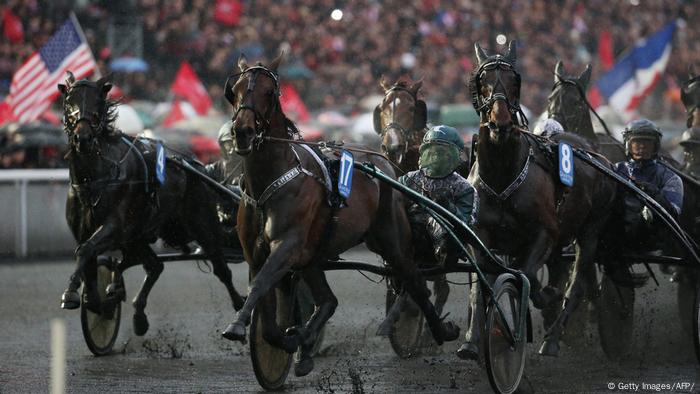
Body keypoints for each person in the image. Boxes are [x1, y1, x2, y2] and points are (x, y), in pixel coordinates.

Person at [399, 125, 477, 264]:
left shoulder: (464, 188)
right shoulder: (407, 179)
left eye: (441, 152)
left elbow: (466, 226)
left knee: (438, 220)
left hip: (444, 246)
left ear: (456, 155)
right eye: (431, 151)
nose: (435, 156)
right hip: (408, 241)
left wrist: (448, 206)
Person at [614, 119, 683, 251]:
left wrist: (655, 194)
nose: (642, 147)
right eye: (637, 142)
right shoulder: (615, 169)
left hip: (649, 238)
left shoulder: (670, 178)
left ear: (655, 146)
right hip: (616, 235)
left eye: (647, 142)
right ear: (628, 144)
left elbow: (673, 214)